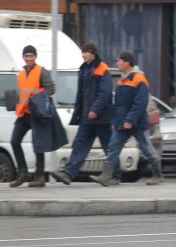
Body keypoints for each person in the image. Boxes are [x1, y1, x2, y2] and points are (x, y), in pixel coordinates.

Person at [90, 50, 163, 186]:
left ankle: (157, 174)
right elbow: (118, 103)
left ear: (127, 63)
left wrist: (130, 120)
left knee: (146, 148)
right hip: (122, 123)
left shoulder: (139, 79)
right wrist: (116, 121)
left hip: (136, 123)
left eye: (119, 61)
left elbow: (140, 103)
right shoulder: (122, 79)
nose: (117, 63)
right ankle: (108, 176)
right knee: (113, 146)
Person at [51, 43, 115, 185]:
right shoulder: (84, 69)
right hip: (87, 116)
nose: (83, 54)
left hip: (101, 117)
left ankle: (115, 174)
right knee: (79, 143)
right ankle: (68, 173)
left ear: (93, 53)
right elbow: (82, 94)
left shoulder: (102, 69)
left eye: (86, 52)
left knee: (108, 146)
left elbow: (104, 93)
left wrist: (95, 110)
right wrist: (81, 112)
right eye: (82, 52)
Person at [9, 45, 56, 188]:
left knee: (38, 145)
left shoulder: (41, 71)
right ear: (23, 57)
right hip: (23, 114)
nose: (29, 58)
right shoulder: (21, 74)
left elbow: (51, 89)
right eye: (26, 56)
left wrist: (37, 99)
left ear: (35, 57)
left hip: (36, 114)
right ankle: (23, 173)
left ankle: (40, 176)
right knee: (14, 141)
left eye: (31, 56)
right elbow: (21, 93)